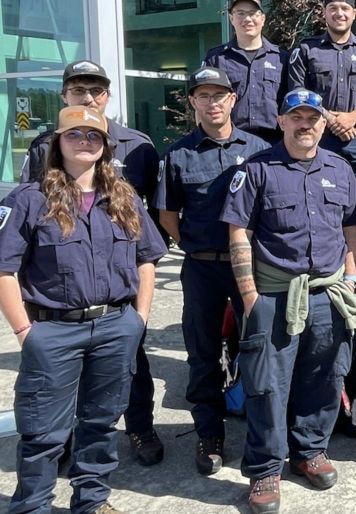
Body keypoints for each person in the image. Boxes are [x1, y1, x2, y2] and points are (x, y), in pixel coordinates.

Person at [0, 106, 166, 514]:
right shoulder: (28, 200)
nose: (85, 142)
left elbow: (147, 259)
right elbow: (3, 270)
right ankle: (33, 506)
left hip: (115, 327)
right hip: (54, 331)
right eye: (75, 135)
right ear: (58, 143)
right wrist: (25, 332)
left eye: (94, 137)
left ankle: (91, 501)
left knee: (101, 422)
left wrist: (139, 319)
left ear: (106, 146)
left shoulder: (124, 198)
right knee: (43, 431)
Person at [221, 88, 356, 514]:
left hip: (328, 295)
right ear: (281, 122)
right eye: (296, 117)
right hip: (274, 294)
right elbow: (238, 232)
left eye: (313, 117)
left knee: (325, 377)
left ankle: (309, 451)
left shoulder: (341, 169)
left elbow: (351, 227)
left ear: (323, 123)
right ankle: (266, 468)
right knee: (267, 386)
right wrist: (249, 296)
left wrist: (353, 276)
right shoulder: (256, 169)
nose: (306, 124)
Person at [22, 59, 164, 466]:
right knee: (61, 375)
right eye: (79, 89)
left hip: (120, 276)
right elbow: (36, 216)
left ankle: (139, 427)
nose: (88, 97)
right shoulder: (44, 146)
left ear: (107, 95)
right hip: (65, 278)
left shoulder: (138, 145)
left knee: (131, 362)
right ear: (64, 95)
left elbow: (149, 211)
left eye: (96, 90)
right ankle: (64, 434)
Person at [155, 68, 269, 474]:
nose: (212, 102)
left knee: (257, 348)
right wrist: (189, 243)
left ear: (233, 99)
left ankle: (263, 433)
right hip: (201, 268)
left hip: (251, 269)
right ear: (193, 103)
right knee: (202, 353)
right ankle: (209, 435)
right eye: (203, 96)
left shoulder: (259, 150)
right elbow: (167, 214)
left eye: (219, 95)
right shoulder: (178, 155)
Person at [287, 0, 356, 295]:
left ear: (354, 14)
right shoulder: (307, 51)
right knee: (317, 200)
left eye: (345, 8)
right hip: (319, 138)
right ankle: (324, 264)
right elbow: (296, 95)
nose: (339, 13)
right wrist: (333, 119)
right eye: (333, 8)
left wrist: (352, 118)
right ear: (324, 13)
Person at [203, 0, 289, 143]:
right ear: (231, 19)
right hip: (231, 141)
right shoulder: (216, 58)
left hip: (274, 142)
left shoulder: (282, 58)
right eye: (240, 13)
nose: (247, 19)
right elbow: (202, 105)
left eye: (252, 13)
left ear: (262, 19)